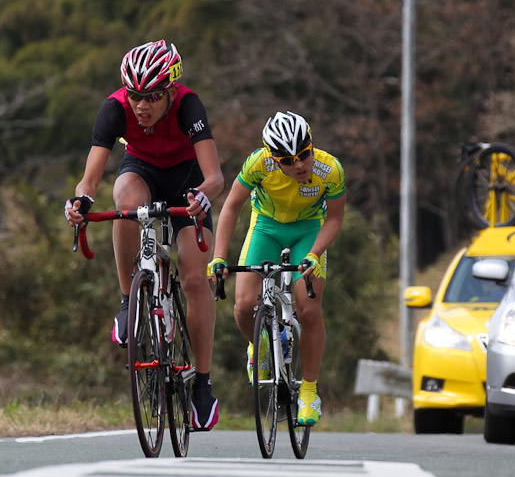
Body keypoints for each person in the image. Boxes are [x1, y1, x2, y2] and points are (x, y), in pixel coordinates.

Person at [65, 40, 224, 430]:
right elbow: (90, 179)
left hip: (187, 180)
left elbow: (215, 177)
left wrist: (202, 199)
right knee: (125, 203)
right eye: (136, 95)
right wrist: (79, 202)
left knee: (192, 277)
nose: (142, 105)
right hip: (142, 169)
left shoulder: (189, 106)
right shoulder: (114, 109)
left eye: (152, 96)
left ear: (170, 90)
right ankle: (128, 301)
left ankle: (202, 386)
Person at [207, 111, 346, 426]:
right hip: (266, 228)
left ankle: (309, 391)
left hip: (308, 230)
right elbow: (231, 206)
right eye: (286, 160)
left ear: (312, 146)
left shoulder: (330, 169)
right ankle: (262, 344)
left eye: (303, 155)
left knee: (309, 309)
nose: (298, 165)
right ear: (272, 157)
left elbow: (335, 218)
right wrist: (218, 256)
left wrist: (314, 254)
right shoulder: (258, 164)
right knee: (243, 306)